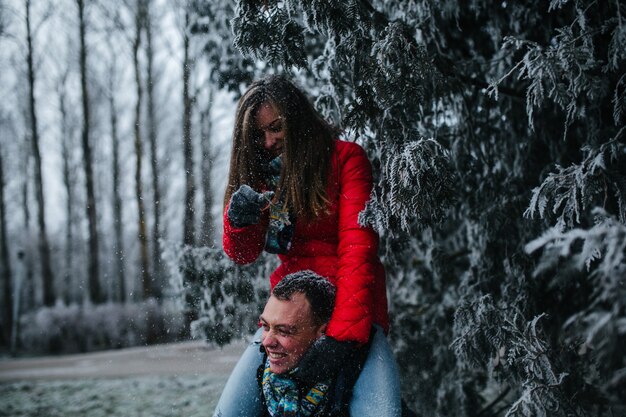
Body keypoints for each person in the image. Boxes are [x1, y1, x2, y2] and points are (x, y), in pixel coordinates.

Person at [215, 75, 401, 417]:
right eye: (259, 135)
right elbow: (243, 253)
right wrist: (237, 222)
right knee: (230, 413)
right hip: (286, 317)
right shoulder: (264, 179)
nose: (269, 141)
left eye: (277, 127)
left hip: (354, 316)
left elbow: (358, 251)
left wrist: (342, 339)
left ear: (297, 118)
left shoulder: (347, 159)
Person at [258, 270, 367, 416]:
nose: (267, 342)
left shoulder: (355, 382)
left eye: (284, 331)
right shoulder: (260, 376)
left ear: (322, 333)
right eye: (265, 326)